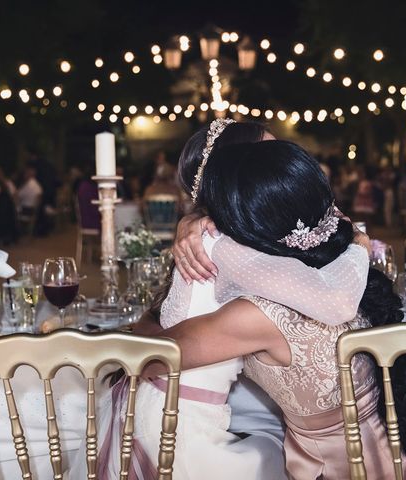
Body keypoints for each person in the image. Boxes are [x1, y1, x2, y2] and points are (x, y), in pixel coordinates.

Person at [137, 140, 406, 479]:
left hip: (358, 461)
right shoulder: (338, 253)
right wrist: (194, 218)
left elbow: (148, 359)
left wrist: (147, 318)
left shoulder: (256, 314)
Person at [88, 120, 372, 480]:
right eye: (264, 156)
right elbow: (334, 302)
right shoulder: (227, 246)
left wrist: (194, 217)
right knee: (272, 449)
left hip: (170, 399)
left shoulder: (226, 235)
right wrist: (359, 244)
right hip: (181, 423)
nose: (278, 165)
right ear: (233, 175)